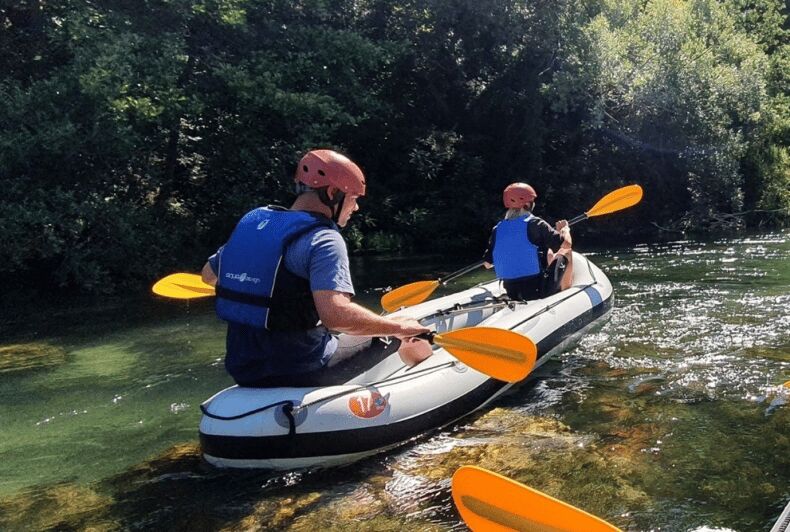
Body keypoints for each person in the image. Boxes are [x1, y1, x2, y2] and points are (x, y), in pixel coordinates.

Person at [201, 149, 432, 387]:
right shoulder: (324, 239)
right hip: (303, 369)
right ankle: (422, 381)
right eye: (353, 198)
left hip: (244, 370)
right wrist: (400, 328)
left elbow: (208, 276)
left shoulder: (255, 224)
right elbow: (336, 316)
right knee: (393, 333)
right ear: (333, 193)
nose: (356, 208)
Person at [483, 182, 573, 301]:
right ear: (527, 204)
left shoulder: (497, 229)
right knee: (566, 251)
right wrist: (565, 230)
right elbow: (565, 244)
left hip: (512, 291)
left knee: (548, 252)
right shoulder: (535, 223)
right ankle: (566, 292)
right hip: (538, 291)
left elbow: (487, 264)